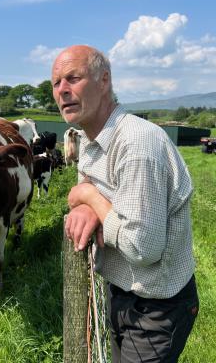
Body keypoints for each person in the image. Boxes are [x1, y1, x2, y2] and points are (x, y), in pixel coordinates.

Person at [52, 45, 199, 363]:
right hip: (120, 290)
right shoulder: (91, 140)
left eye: (73, 78)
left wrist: (91, 199)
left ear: (104, 80)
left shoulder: (137, 144)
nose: (62, 90)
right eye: (56, 82)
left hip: (156, 306)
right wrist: (85, 207)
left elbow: (141, 247)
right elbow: (82, 189)